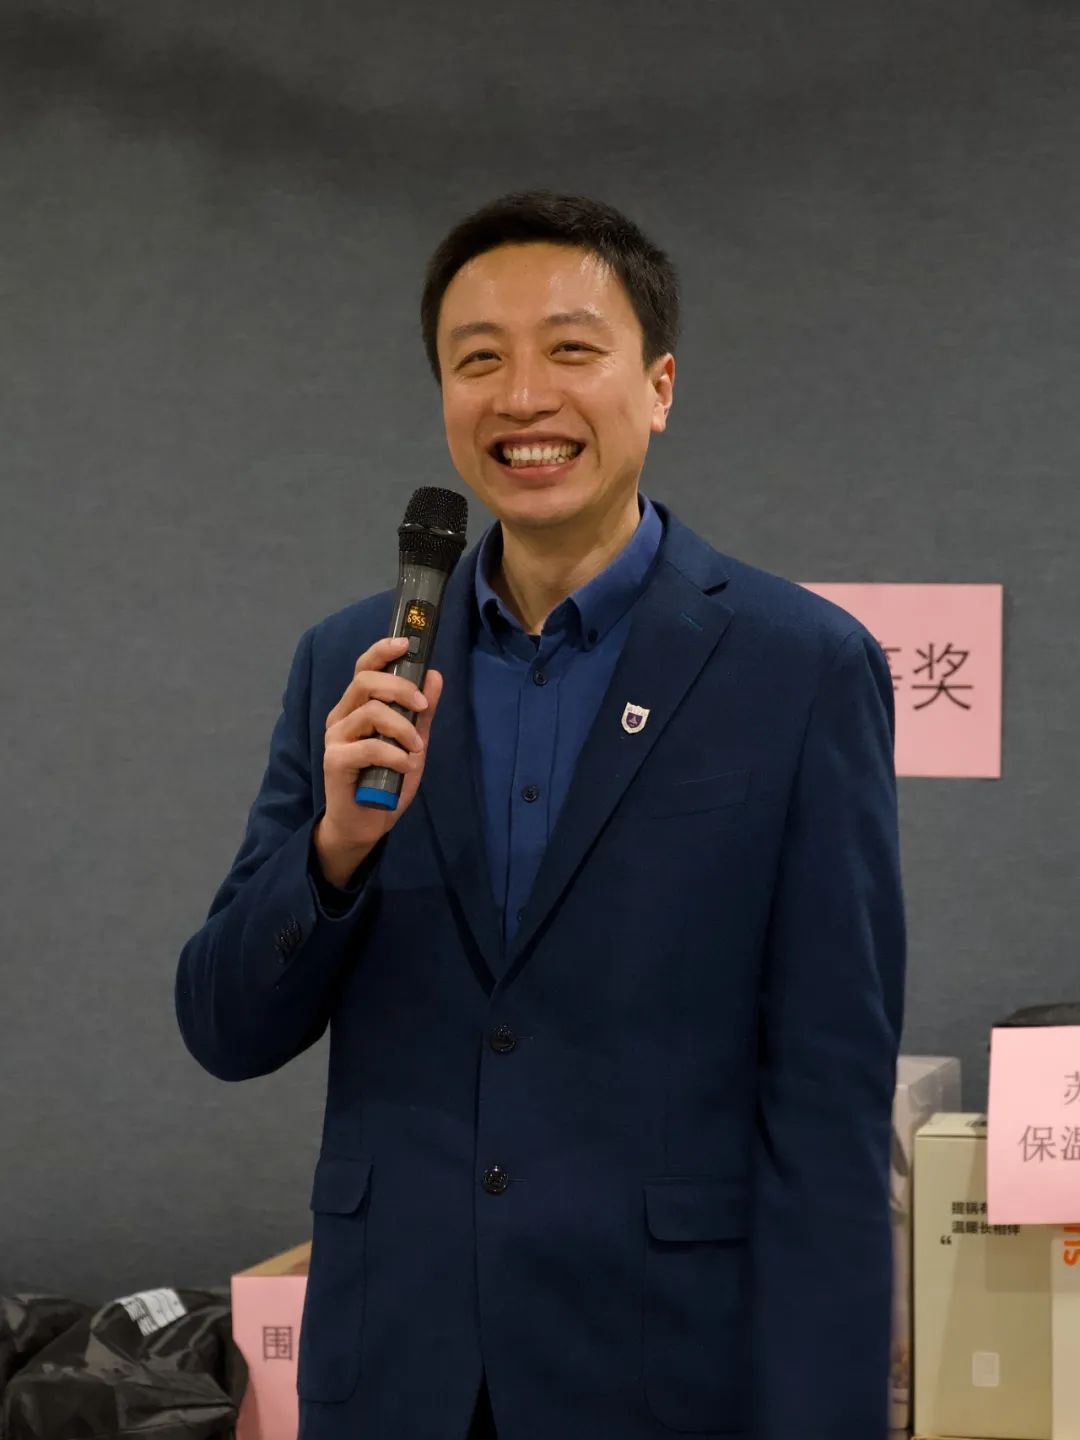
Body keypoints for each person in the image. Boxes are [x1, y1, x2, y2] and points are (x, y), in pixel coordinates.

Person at [175, 189, 906, 1440]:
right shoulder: (353, 663)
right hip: (396, 1373)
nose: (522, 397)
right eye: (478, 361)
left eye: (571, 350)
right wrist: (334, 852)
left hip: (661, 1375)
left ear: (658, 385)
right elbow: (224, 1026)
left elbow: (830, 1098)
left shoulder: (800, 667)